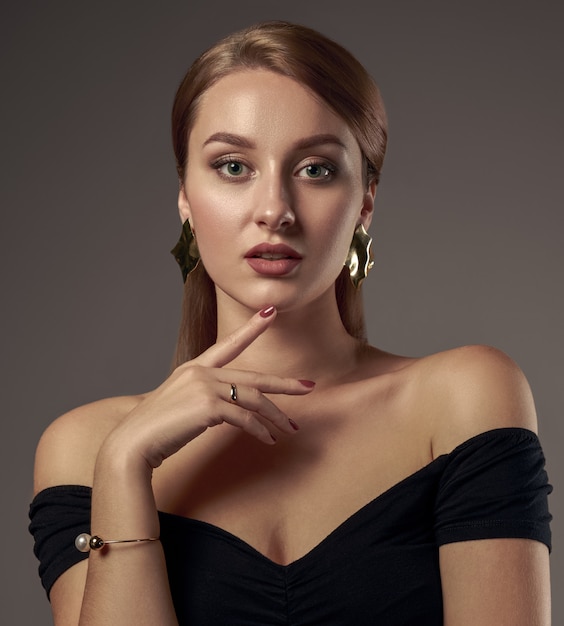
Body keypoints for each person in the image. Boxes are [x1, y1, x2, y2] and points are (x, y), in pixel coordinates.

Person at [29, 20, 552, 625]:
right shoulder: (87, 449)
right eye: (232, 166)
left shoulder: (463, 398)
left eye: (316, 169)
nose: (274, 209)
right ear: (184, 197)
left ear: (365, 202)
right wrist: (124, 467)